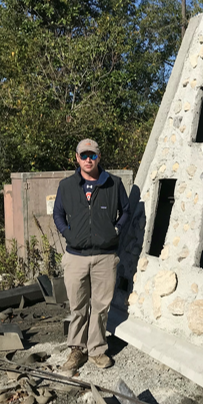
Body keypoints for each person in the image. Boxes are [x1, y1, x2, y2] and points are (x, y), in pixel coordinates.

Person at [53, 138, 129, 374]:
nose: (88, 159)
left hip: (105, 257)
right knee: (78, 306)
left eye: (92, 155)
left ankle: (96, 349)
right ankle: (77, 350)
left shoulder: (114, 184)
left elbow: (126, 211)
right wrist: (68, 233)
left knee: (100, 307)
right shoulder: (66, 186)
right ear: (77, 158)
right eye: (84, 155)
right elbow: (58, 214)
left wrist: (115, 230)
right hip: (75, 257)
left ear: (98, 157)